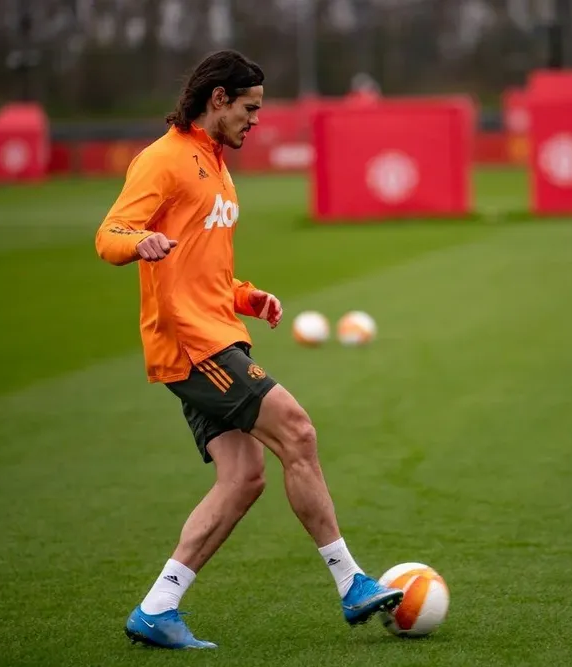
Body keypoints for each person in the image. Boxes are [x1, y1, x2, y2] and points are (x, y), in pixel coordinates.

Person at [95, 50, 403, 650]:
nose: (256, 121)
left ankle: (158, 608)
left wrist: (244, 295)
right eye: (250, 108)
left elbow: (203, 263)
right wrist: (141, 242)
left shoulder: (216, 163)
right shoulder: (162, 160)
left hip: (216, 329)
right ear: (218, 99)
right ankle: (351, 583)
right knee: (299, 431)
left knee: (243, 478)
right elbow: (109, 235)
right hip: (190, 341)